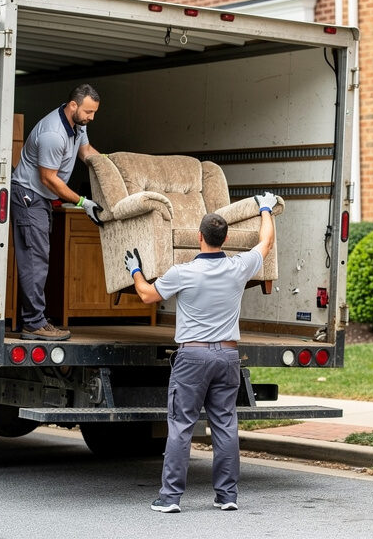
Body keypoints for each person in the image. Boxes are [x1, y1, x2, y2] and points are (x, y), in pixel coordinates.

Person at [124, 191, 279, 514]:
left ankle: (170, 498)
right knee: (225, 426)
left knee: (181, 425)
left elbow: (147, 296)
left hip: (192, 358)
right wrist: (265, 209)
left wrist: (135, 270)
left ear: (199, 238)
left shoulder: (183, 272)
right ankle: (227, 496)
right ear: (225, 239)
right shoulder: (239, 267)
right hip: (227, 357)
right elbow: (265, 243)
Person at [11, 84, 106, 341]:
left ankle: (34, 320)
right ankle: (33, 324)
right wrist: (83, 202)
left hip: (40, 200)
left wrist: (110, 166)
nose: (91, 118)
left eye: (94, 112)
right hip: (29, 197)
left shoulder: (78, 125)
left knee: (39, 259)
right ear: (73, 105)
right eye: (88, 111)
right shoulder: (54, 133)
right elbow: (48, 179)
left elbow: (86, 153)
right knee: (35, 261)